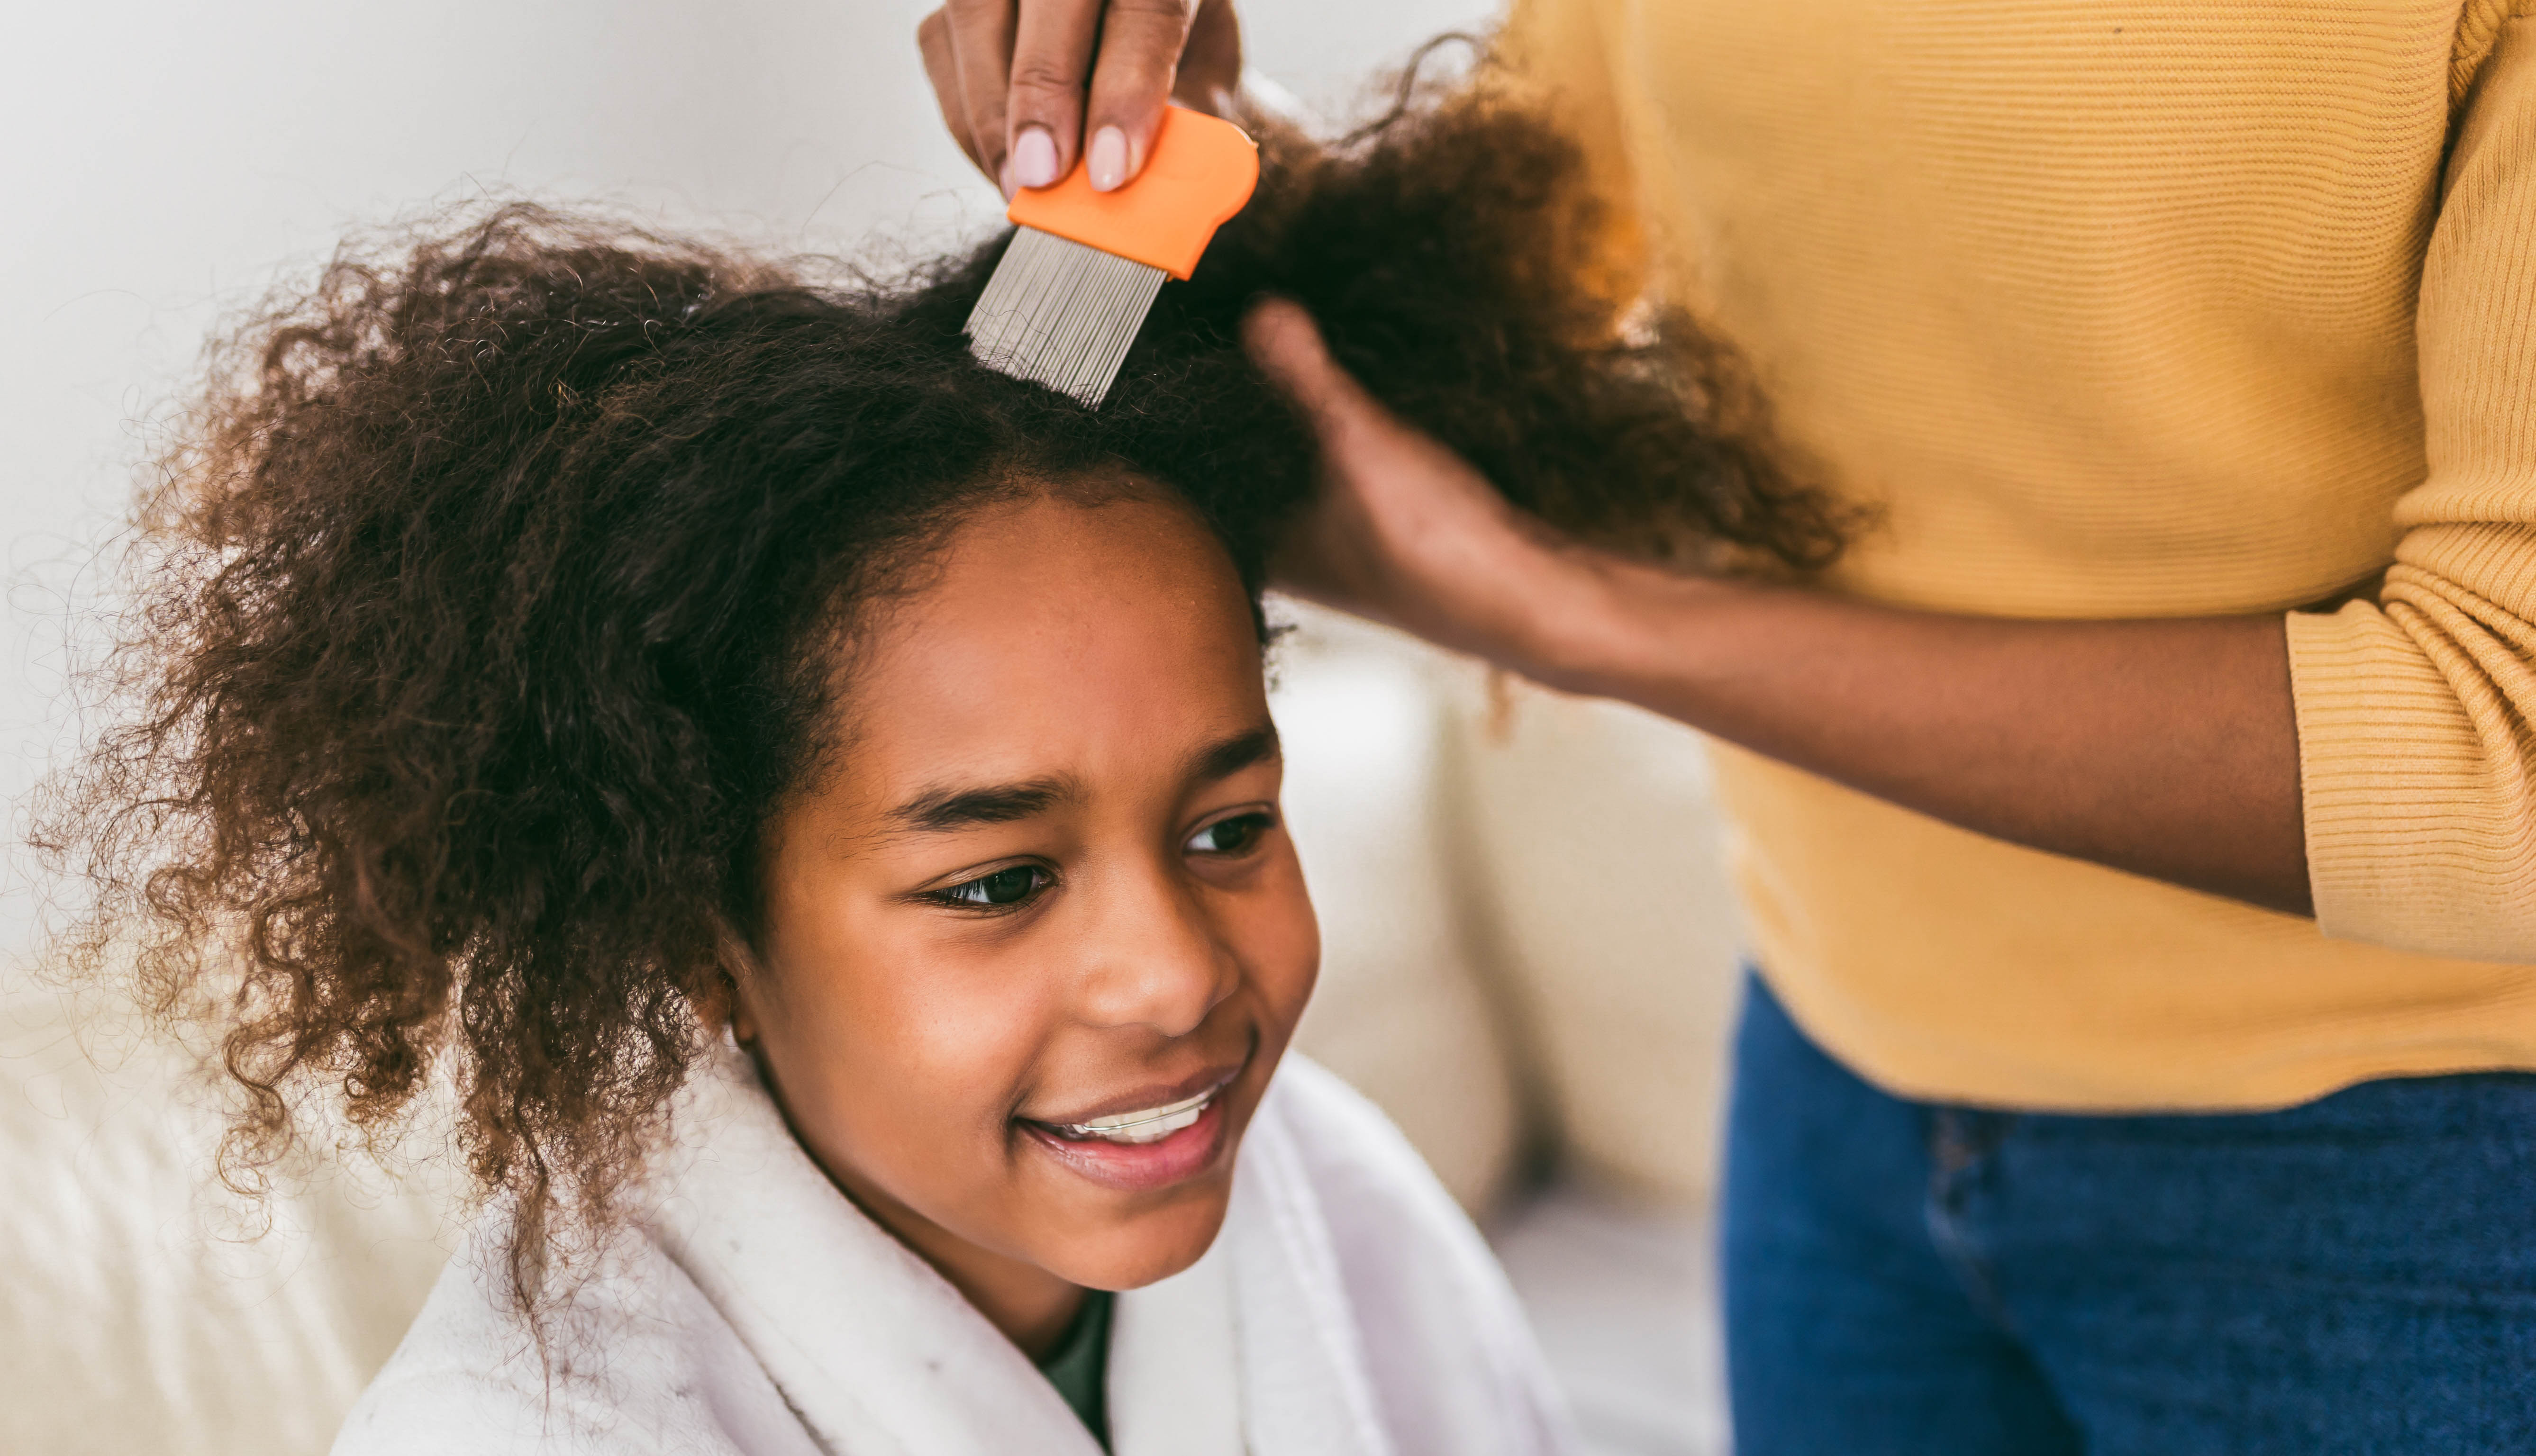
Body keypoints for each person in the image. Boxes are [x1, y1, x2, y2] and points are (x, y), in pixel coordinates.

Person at [38, 82, 1835, 1455]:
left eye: (1228, 824)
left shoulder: (1335, 1202)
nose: (1178, 975)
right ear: (696, 924)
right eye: (994, 879)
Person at [918, 2, 2536, 1451]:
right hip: (1832, 1074)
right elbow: (1514, 299)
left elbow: (2501, 755)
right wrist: (1215, 147)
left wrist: (1590, 623)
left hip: (2426, 1165)